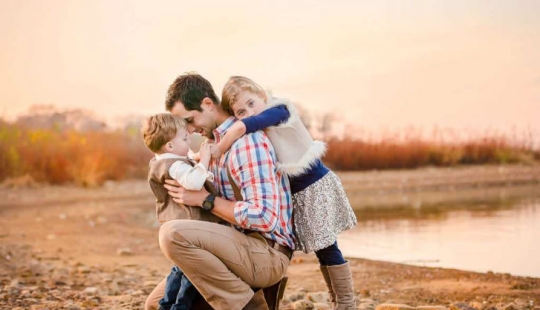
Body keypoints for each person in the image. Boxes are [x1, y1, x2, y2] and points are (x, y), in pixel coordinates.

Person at [144, 73, 295, 310]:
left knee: (171, 234)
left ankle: (252, 305)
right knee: (154, 305)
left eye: (190, 120)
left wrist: (205, 200)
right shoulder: (211, 149)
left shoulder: (247, 143)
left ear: (207, 104)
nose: (190, 130)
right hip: (232, 248)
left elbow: (264, 216)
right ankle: (241, 296)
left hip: (266, 252)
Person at [214, 76, 358, 310]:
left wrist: (220, 146)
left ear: (262, 95)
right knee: (323, 250)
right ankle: (338, 300)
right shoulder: (259, 125)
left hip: (314, 188)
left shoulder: (279, 110)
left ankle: (346, 303)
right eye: (241, 110)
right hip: (298, 194)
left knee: (328, 247)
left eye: (251, 103)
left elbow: (244, 125)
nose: (249, 112)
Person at [142, 113, 224, 310]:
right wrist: (204, 160)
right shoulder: (175, 165)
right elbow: (194, 182)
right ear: (170, 146)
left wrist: (198, 159)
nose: (190, 141)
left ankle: (167, 304)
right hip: (190, 224)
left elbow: (189, 159)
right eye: (185, 138)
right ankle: (180, 305)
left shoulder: (161, 161)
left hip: (176, 222)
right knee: (192, 270)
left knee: (179, 269)